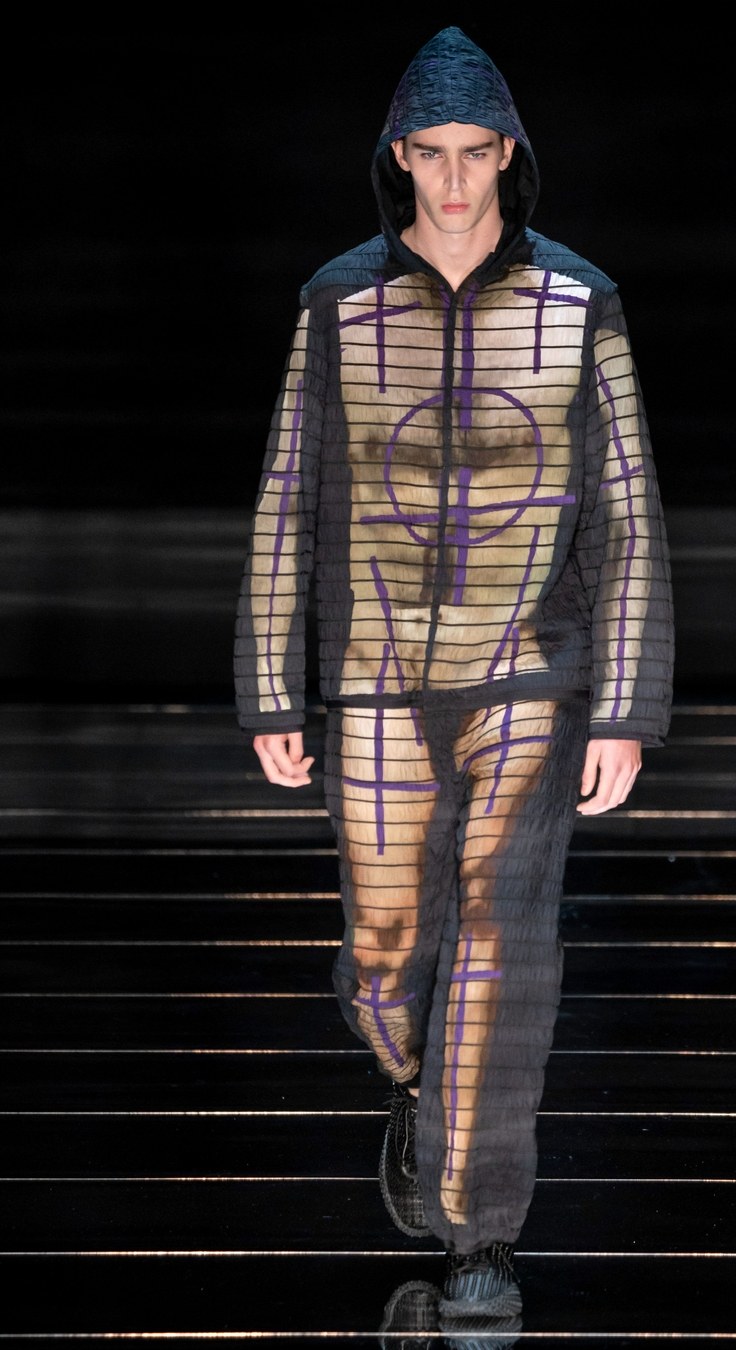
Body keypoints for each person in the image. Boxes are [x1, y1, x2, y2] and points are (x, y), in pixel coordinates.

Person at [234, 24, 674, 1329]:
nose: (456, 180)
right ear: (398, 159)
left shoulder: (580, 302)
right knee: (385, 957)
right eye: (431, 154)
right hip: (373, 675)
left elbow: (628, 509)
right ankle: (416, 1083)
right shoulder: (337, 303)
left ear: (511, 155)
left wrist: (625, 705)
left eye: (477, 153)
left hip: (531, 673)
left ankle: (481, 1235)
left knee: (499, 946)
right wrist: (270, 683)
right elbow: (288, 493)